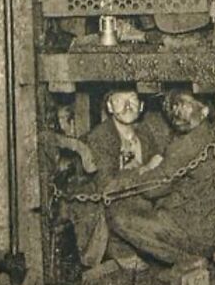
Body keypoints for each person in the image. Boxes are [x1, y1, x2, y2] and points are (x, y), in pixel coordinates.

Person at [106, 90, 215, 276]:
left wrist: (135, 174)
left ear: (204, 111)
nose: (177, 111)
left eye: (185, 105)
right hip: (208, 226)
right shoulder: (207, 132)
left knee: (117, 216)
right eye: (174, 105)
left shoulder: (190, 141)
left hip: (193, 232)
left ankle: (188, 261)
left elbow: (154, 188)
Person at [66, 89, 171, 268]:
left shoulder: (145, 133)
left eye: (133, 99)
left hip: (138, 202)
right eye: (120, 100)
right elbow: (107, 185)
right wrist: (146, 169)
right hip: (107, 211)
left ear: (142, 106)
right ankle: (118, 248)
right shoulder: (100, 137)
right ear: (110, 106)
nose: (127, 106)